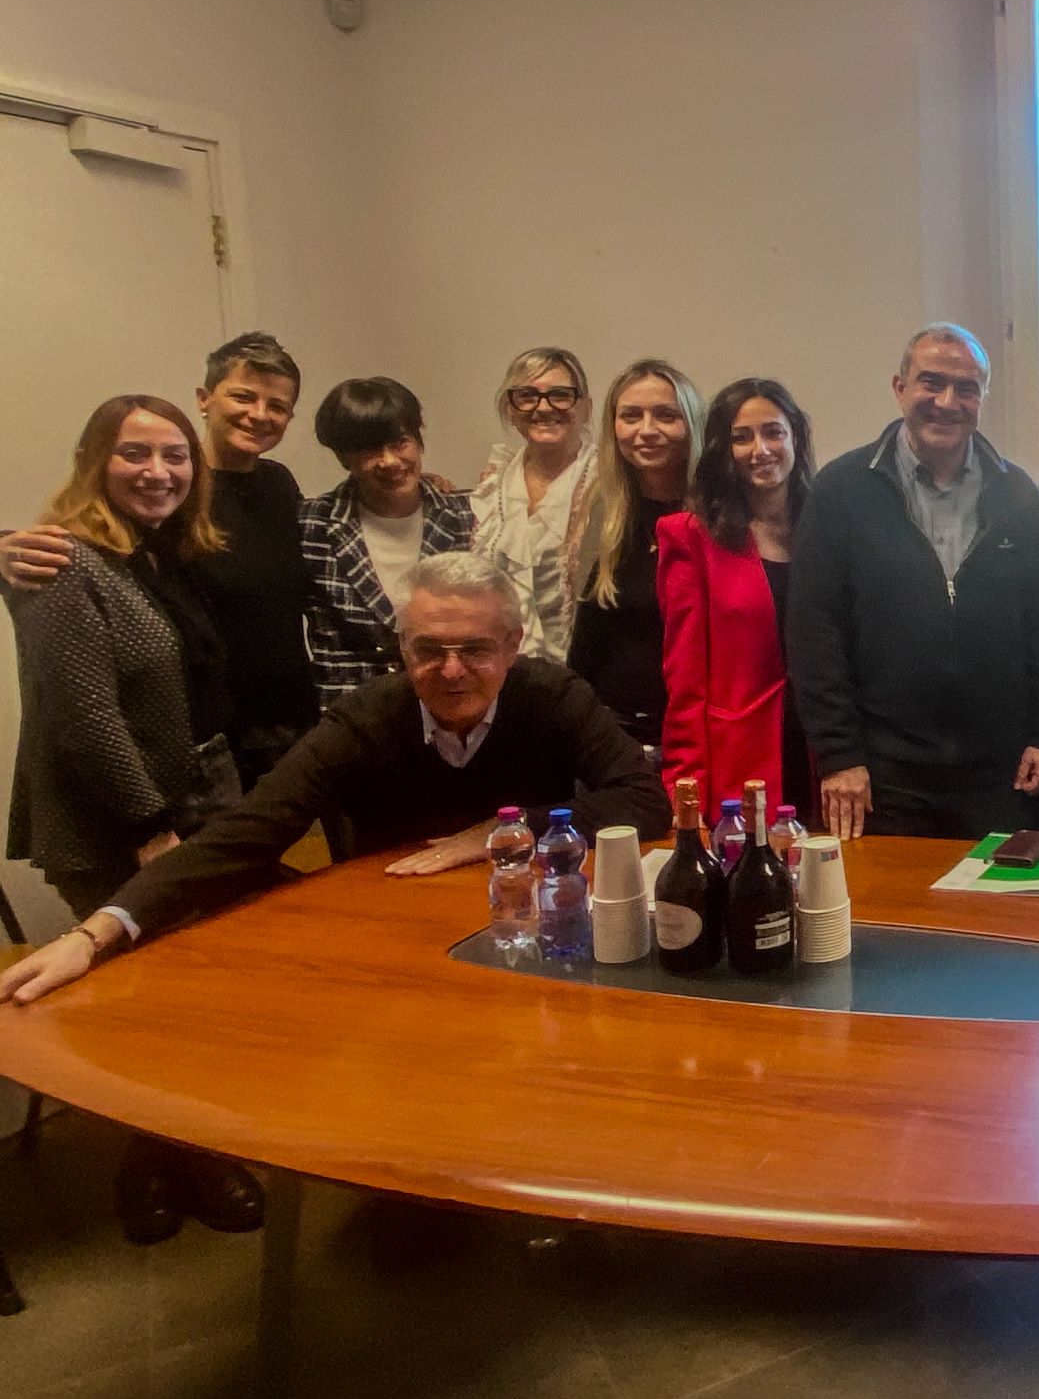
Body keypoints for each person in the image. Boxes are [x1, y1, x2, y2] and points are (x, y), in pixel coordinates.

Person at [0, 553, 670, 1009]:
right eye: (429, 650)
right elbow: (247, 833)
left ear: (513, 644)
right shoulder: (367, 716)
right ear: (402, 648)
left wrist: (501, 829)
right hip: (390, 942)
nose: (452, 671)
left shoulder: (553, 695)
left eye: (475, 649)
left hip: (531, 933)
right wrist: (94, 934)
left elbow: (644, 800)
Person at [5, 394, 263, 1243]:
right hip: (116, 818)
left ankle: (175, 1154)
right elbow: (85, 717)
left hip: (200, 792)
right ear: (94, 462)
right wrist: (151, 826)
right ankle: (172, 1163)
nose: (158, 472)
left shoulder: (159, 555)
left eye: (175, 456)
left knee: (199, 995)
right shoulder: (61, 563)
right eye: (134, 454)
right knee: (149, 1005)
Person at [787, 323, 1039, 840]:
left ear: (982, 398)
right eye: (931, 382)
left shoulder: (1018, 494)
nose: (946, 402)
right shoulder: (841, 491)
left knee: (993, 895)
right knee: (892, 896)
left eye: (966, 388)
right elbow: (815, 631)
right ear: (899, 388)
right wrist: (839, 755)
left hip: (1000, 772)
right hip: (882, 773)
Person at [2, 332, 320, 784]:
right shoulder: (164, 492)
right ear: (205, 399)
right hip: (209, 737)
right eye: (243, 397)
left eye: (277, 406)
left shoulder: (277, 483)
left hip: (290, 719)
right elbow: (88, 534)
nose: (259, 414)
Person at [658, 377, 817, 815]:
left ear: (795, 437)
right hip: (741, 760)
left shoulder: (826, 527)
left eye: (773, 432)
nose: (760, 450)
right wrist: (686, 788)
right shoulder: (691, 536)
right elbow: (685, 681)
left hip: (822, 755)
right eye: (741, 437)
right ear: (722, 450)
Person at [303, 378, 475, 704]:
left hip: (449, 707)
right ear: (344, 458)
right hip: (349, 715)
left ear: (418, 441)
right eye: (369, 449)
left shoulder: (471, 516)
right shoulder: (312, 524)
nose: (389, 461)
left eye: (399, 443)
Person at [568, 359, 703, 747]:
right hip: (617, 732)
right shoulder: (604, 508)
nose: (646, 430)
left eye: (665, 415)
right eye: (630, 415)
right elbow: (588, 631)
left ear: (691, 423)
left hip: (699, 734)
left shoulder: (719, 514)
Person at [472, 346, 598, 664]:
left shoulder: (609, 481)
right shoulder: (493, 485)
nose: (543, 407)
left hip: (587, 668)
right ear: (510, 409)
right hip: (506, 670)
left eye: (560, 395)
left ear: (586, 407)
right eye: (526, 396)